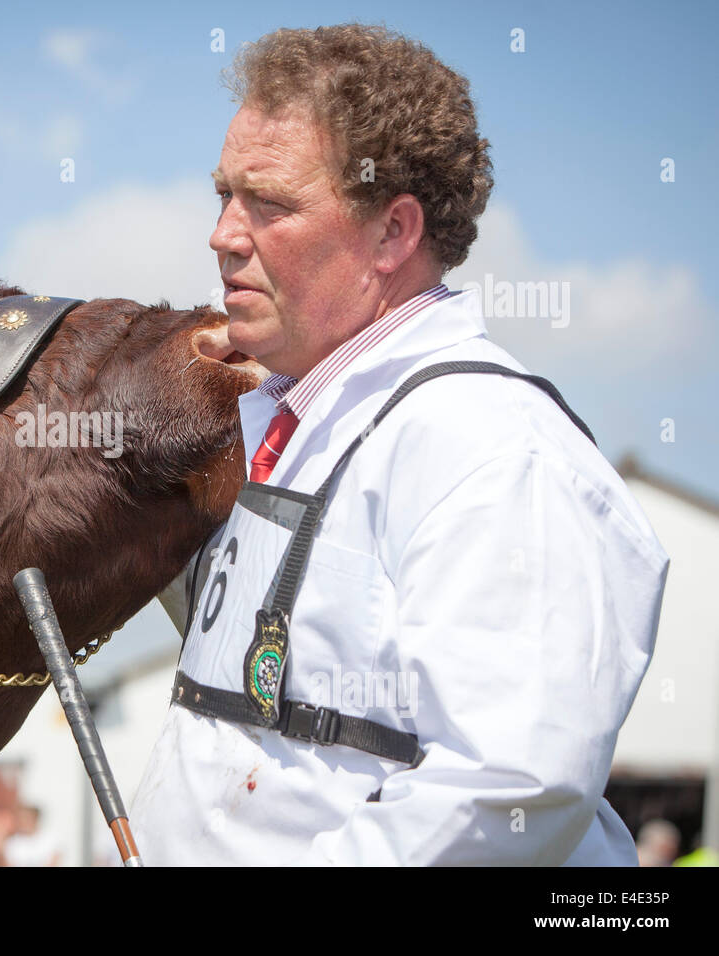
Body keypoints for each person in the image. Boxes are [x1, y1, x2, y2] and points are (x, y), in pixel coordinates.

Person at [134, 24, 669, 865]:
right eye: (223, 195)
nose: (224, 235)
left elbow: (509, 792)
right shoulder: (288, 421)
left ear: (392, 234)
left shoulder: (491, 448)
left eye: (269, 204)